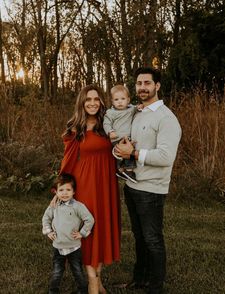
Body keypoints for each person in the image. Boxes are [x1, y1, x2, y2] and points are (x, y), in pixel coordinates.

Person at [115, 67, 182, 294]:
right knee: (139, 237)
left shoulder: (166, 118)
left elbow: (165, 157)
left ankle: (155, 287)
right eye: (139, 83)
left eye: (147, 83)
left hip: (151, 189)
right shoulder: (138, 112)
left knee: (153, 239)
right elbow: (129, 142)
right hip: (132, 185)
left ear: (157, 86)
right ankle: (140, 279)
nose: (142, 87)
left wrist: (133, 155)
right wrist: (120, 151)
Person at [58, 84, 120, 294]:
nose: (92, 103)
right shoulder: (76, 129)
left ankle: (98, 279)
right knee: (89, 231)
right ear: (82, 104)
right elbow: (66, 164)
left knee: (102, 229)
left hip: (107, 186)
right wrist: (59, 192)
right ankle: (92, 281)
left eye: (96, 99)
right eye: (88, 100)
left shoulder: (109, 124)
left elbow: (128, 116)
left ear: (101, 102)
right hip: (85, 186)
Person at [42, 173, 95, 294]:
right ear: (55, 192)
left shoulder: (77, 206)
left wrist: (82, 233)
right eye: (61, 190)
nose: (65, 193)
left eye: (68, 190)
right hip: (58, 246)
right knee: (57, 271)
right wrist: (48, 231)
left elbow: (89, 219)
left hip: (74, 246)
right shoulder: (53, 206)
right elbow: (46, 218)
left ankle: (82, 291)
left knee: (77, 271)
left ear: (74, 192)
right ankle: (53, 291)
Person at [103, 84, 137, 183]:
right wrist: (110, 131)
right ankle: (129, 171)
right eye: (116, 100)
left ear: (128, 100)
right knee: (128, 153)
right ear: (113, 102)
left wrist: (140, 107)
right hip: (117, 137)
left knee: (125, 153)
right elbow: (106, 123)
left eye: (123, 99)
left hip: (127, 137)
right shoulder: (110, 113)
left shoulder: (131, 109)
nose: (120, 102)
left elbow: (137, 108)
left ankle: (121, 170)